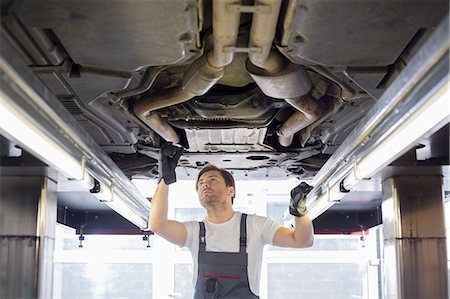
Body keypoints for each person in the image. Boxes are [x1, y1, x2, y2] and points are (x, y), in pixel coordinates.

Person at [150, 143, 314, 298]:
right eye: (200, 183)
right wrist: (164, 179)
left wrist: (299, 212)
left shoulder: (256, 225)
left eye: (212, 179)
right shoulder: (194, 232)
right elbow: (157, 225)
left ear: (231, 191)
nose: (205, 184)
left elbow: (302, 240)